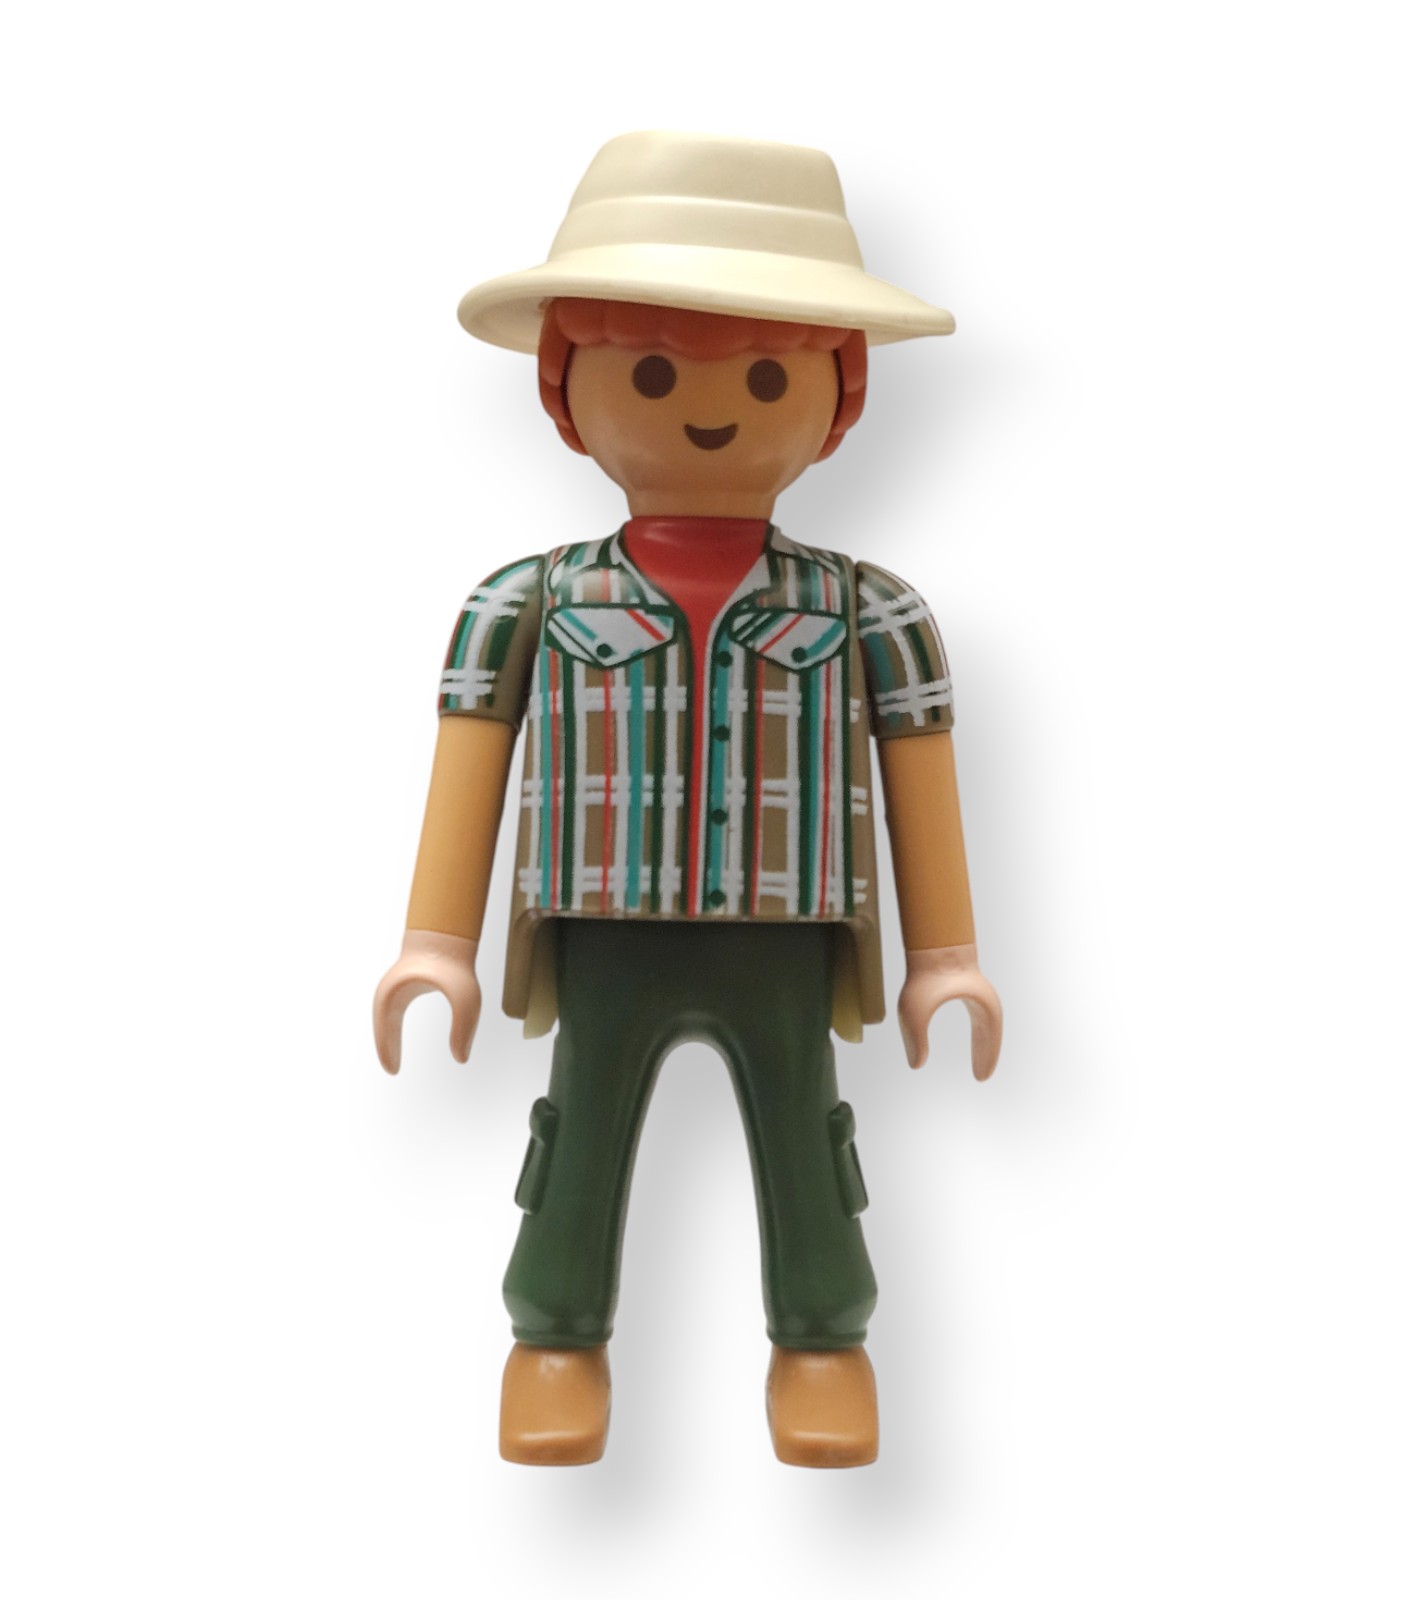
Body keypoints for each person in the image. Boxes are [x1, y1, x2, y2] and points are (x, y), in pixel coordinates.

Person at [373, 131, 1001, 1467]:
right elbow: (469, 759)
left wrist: (947, 959)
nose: (708, 409)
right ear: (566, 391)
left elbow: (920, 774)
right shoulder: (527, 600)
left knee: (806, 1135)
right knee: (578, 1134)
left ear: (837, 398)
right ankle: (555, 1336)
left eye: (767, 374)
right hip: (601, 927)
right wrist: (436, 943)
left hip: (787, 933)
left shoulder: (871, 610)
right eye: (652, 372)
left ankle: (823, 1342)